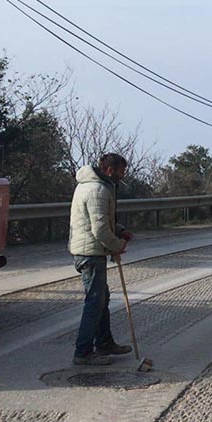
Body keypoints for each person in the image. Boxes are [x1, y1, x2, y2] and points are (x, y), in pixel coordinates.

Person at [68, 152, 135, 365]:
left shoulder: (94, 186)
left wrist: (120, 230)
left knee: (101, 299)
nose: (122, 175)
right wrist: (118, 245)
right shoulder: (97, 190)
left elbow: (100, 220)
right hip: (90, 253)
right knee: (94, 303)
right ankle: (83, 352)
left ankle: (104, 343)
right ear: (109, 170)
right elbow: (99, 229)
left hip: (90, 250)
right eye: (121, 171)